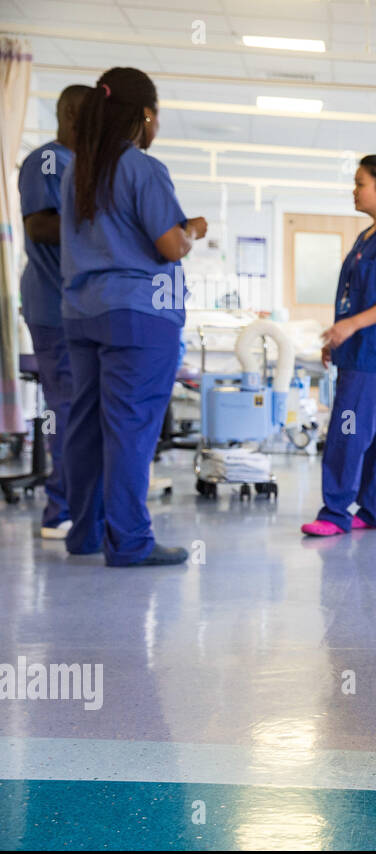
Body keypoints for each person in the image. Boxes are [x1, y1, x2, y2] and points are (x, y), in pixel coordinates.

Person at [60, 67, 206, 567]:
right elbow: (169, 246)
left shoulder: (77, 172)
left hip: (81, 313)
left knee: (86, 424)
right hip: (139, 316)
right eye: (156, 116)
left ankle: (84, 533)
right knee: (130, 429)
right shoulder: (142, 169)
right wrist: (191, 229)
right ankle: (130, 543)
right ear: (144, 116)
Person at [301, 155, 376, 537]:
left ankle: (335, 512)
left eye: (360, 183)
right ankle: (375, 510)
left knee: (348, 428)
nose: (353, 191)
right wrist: (338, 335)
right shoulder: (366, 236)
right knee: (371, 433)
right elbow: (354, 295)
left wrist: (351, 326)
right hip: (357, 350)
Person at [18, 84, 91, 540]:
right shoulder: (46, 161)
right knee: (66, 406)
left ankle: (79, 503)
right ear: (66, 114)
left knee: (80, 407)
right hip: (52, 306)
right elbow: (41, 225)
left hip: (78, 308)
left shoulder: (83, 166)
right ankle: (59, 510)